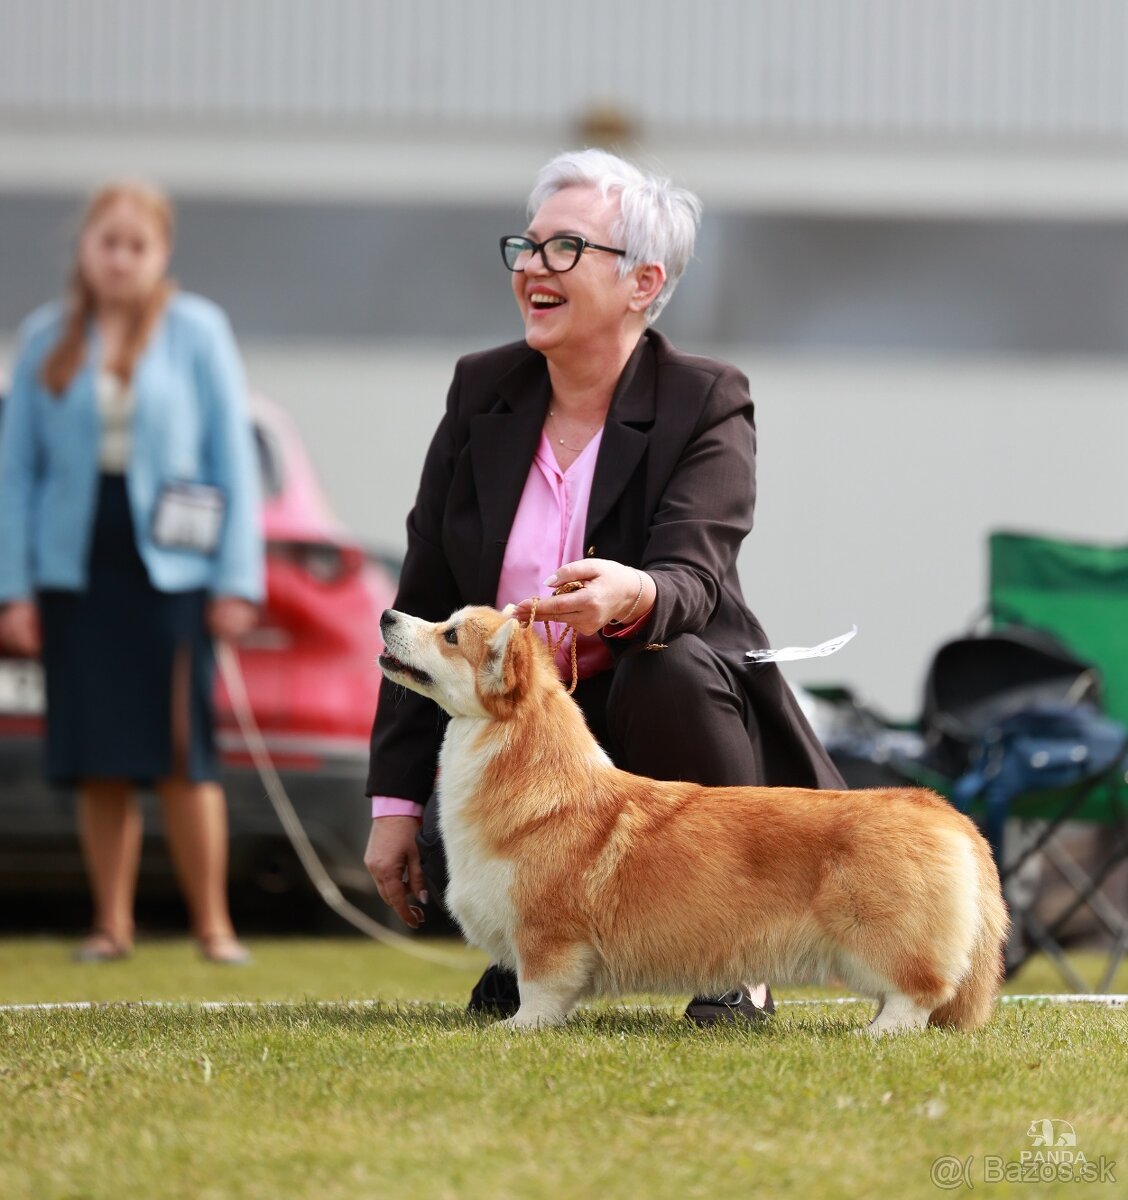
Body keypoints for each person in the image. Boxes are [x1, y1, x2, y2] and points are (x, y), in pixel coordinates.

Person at [364, 149, 844, 1024]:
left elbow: (696, 576)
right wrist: (393, 804)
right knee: (465, 802)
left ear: (642, 282)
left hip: (663, 719)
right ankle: (530, 948)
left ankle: (736, 961)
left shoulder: (708, 398)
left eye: (565, 249)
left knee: (670, 666)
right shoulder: (479, 390)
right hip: (519, 742)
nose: (532, 268)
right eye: (527, 246)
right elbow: (425, 601)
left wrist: (634, 593)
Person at [0, 181, 264, 964]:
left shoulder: (198, 331)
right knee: (98, 757)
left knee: (183, 752)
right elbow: (16, 473)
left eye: (136, 245)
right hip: (76, 571)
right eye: (108, 243)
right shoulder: (45, 336)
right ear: (85, 248)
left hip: (174, 571)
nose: (121, 259)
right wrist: (14, 590)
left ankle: (214, 926)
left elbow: (230, 459)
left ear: (161, 253)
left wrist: (235, 579)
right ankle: (110, 925)